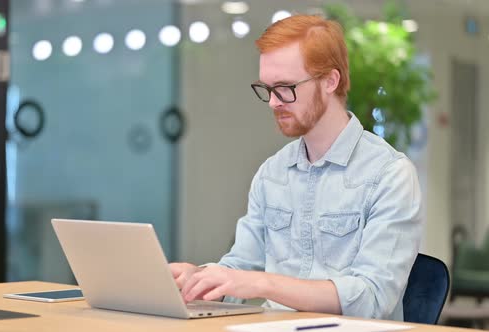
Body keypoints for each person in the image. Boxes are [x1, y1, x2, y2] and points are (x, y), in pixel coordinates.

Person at [170, 14, 422, 321]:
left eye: (285, 87)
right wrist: (202, 278)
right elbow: (242, 270)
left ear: (331, 81)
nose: (273, 102)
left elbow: (371, 299)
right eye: (267, 88)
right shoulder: (271, 174)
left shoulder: (390, 174)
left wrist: (264, 283)